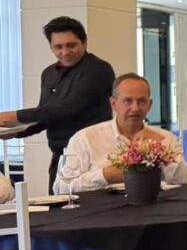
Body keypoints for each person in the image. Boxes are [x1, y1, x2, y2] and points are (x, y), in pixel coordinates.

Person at [0, 16, 115, 191]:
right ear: (51, 47)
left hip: (92, 160)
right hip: (60, 158)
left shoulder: (98, 69)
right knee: (57, 205)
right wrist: (16, 132)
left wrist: (15, 116)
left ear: (84, 42)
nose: (65, 52)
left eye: (71, 45)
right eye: (58, 47)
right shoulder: (49, 73)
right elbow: (46, 116)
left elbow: (68, 109)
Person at [54, 73, 187, 194]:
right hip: (102, 212)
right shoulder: (85, 139)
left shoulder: (165, 138)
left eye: (142, 101)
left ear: (149, 105)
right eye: (128, 101)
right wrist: (104, 176)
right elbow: (61, 188)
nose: (135, 108)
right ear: (113, 104)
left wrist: (162, 150)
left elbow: (185, 181)